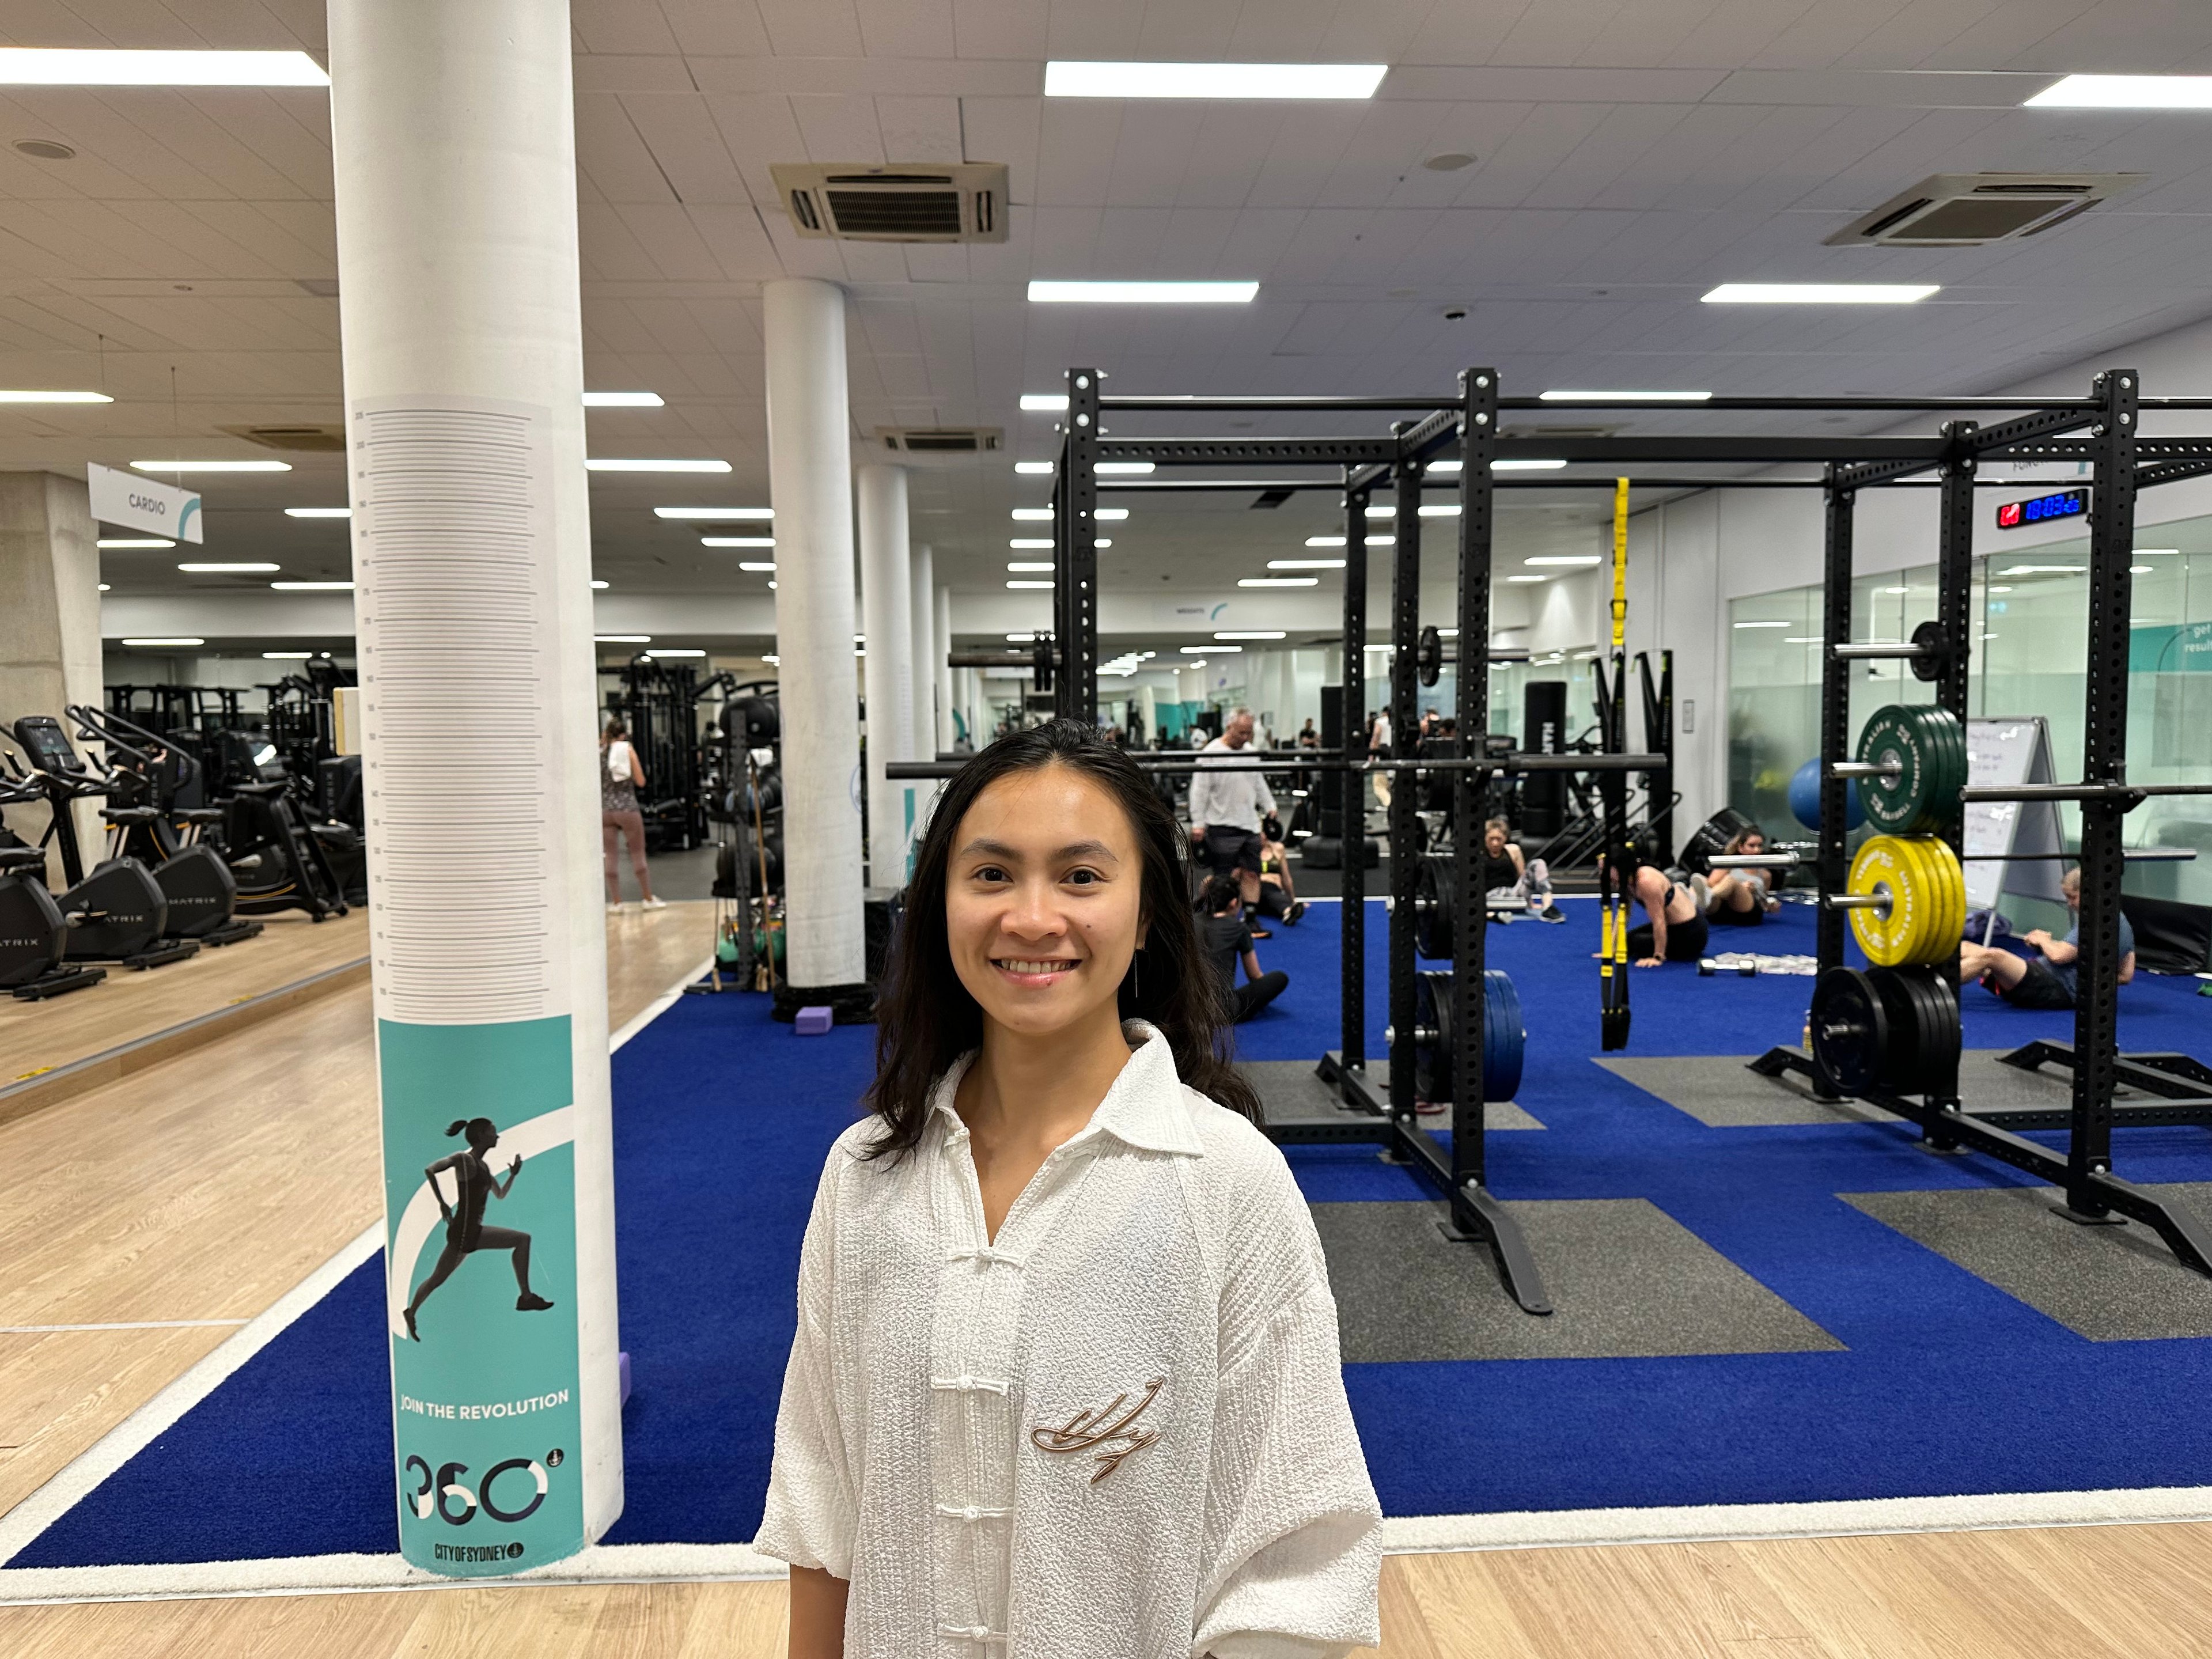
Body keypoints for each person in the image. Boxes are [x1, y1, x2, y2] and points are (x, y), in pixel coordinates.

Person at [758, 721, 1381, 1659]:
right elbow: (823, 1505)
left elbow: (1292, 1571)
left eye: (1082, 877)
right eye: (992, 874)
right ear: (942, 907)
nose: (1032, 917)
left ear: (1145, 919)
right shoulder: (864, 1177)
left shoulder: (1229, 1187)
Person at [402, 1117, 554, 1341]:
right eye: (493, 1132)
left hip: (469, 1231)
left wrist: (513, 1175)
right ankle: (526, 1297)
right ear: (482, 1135)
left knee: (437, 1278)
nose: (497, 1135)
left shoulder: (483, 1167)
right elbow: (430, 1170)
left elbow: (500, 1194)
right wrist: (442, 1203)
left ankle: (411, 1311)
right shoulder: (464, 1160)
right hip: (465, 1231)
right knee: (522, 1240)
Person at [1960, 866, 2135, 1008]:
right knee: (1967, 947)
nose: (2070, 903)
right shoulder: (2123, 924)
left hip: (2053, 988)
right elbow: (2126, 975)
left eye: (2072, 897)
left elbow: (2059, 957)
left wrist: (2044, 941)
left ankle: (1937, 994)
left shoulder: (2097, 920)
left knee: (1993, 957)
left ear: (2090, 892)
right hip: (2045, 980)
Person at [1187, 707, 1276, 920]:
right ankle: (1214, 918)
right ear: (1229, 727)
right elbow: (1199, 791)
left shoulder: (1251, 752)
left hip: (1250, 824)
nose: (1245, 738)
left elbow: (1259, 783)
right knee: (1222, 879)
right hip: (1221, 824)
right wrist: (1198, 823)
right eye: (1241, 733)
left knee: (1252, 874)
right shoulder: (1211, 753)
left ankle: (1251, 920)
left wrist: (1270, 806)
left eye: (1249, 733)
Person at [1195, 873, 1290, 1022]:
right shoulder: (1239, 929)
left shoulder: (1190, 921)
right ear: (1234, 903)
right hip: (1222, 1010)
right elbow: (1254, 976)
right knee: (1279, 978)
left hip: (1185, 1007)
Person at [601, 716, 664, 912]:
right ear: (623, 735)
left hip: (606, 810)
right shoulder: (627, 750)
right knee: (638, 853)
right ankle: (647, 898)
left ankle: (617, 902)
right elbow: (641, 781)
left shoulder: (600, 752)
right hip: (627, 808)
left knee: (610, 856)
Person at [1624, 855, 1707, 966]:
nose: (1602, 873)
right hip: (1674, 926)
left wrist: (1658, 957)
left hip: (1691, 934)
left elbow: (1659, 921)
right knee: (1626, 942)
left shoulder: (1646, 882)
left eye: (1604, 870)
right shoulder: (1629, 878)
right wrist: (1612, 947)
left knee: (1638, 943)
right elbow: (1624, 913)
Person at [1481, 817, 1565, 923]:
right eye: (1491, 839)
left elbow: (1523, 877)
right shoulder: (1479, 854)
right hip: (1490, 895)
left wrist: (1530, 903)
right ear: (1484, 838)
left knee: (1538, 863)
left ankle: (1548, 907)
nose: (1495, 843)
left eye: (1499, 839)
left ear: (1506, 838)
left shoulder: (1513, 850)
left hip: (1513, 892)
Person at [1705, 825, 1783, 927]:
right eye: (1752, 846)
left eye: (1760, 846)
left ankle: (1703, 900)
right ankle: (1698, 903)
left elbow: (1763, 902)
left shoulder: (1765, 874)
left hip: (1749, 912)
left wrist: (1770, 906)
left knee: (1731, 881)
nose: (1757, 850)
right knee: (1701, 880)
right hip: (1724, 909)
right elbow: (1711, 884)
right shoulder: (1728, 864)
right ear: (1741, 847)